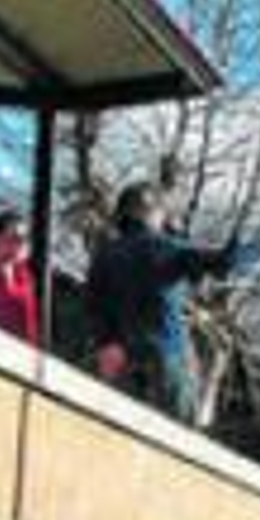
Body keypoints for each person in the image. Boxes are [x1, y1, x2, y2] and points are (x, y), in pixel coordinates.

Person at [84, 180, 239, 421]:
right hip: (166, 357)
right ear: (150, 212)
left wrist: (107, 342)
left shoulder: (104, 254)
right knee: (179, 432)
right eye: (161, 213)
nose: (163, 220)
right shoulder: (164, 247)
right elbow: (220, 263)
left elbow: (92, 305)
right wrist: (234, 252)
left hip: (122, 358)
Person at [0, 207, 40, 345]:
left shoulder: (25, 278)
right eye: (14, 238)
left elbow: (30, 325)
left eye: (24, 240)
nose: (19, 245)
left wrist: (30, 353)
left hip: (12, 354)